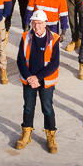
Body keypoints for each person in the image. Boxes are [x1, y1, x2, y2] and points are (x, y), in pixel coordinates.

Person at [15, 9, 59, 154]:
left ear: (45, 23)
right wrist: (29, 77)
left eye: (39, 23)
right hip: (29, 81)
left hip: (45, 81)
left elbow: (54, 63)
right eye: (34, 23)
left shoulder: (54, 38)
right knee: (28, 107)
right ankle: (26, 133)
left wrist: (37, 78)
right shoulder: (25, 37)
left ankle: (51, 136)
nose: (37, 26)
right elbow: (20, 60)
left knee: (47, 108)